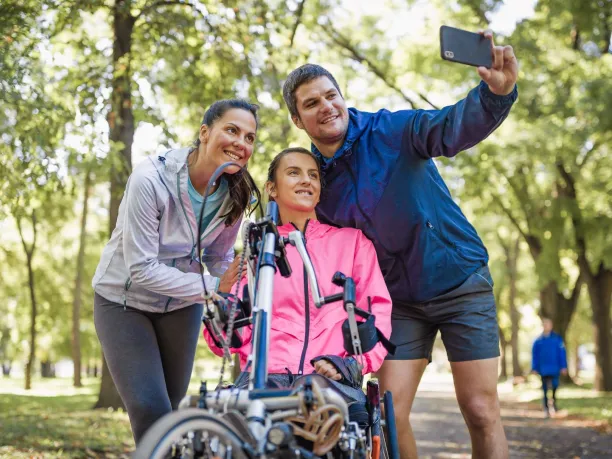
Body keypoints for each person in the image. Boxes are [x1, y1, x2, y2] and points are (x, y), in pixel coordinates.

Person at [281, 30, 518, 459]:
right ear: (299, 120)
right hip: (399, 304)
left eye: (330, 95)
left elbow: (450, 127)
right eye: (311, 103)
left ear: (342, 96)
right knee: (388, 414)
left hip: (459, 281)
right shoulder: (315, 181)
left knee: (481, 409)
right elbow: (303, 237)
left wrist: (494, 96)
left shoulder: (392, 129)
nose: (326, 107)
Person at [91, 99, 261, 443]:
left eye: (250, 137)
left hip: (181, 306)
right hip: (123, 302)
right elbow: (141, 269)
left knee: (171, 411)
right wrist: (215, 285)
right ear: (204, 132)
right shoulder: (150, 179)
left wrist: (237, 280)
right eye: (232, 130)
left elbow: (218, 257)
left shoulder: (235, 194)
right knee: (149, 409)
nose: (241, 143)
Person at [203, 147, 392, 404]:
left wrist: (352, 364)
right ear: (272, 188)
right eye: (294, 173)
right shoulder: (257, 249)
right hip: (264, 378)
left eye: (313, 175)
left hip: (331, 379)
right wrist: (223, 302)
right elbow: (229, 340)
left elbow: (376, 314)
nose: (306, 180)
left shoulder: (353, 244)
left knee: (320, 406)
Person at [531, 317, 568, 417]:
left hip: (555, 367)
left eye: (548, 324)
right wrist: (534, 367)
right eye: (545, 324)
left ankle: (554, 403)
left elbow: (562, 353)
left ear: (551, 326)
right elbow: (535, 356)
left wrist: (563, 366)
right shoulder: (537, 341)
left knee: (555, 386)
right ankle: (546, 408)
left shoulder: (557, 339)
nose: (546, 326)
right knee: (544, 388)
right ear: (542, 326)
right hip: (543, 369)